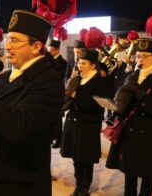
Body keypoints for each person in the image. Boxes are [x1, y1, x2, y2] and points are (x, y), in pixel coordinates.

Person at [0, 10, 64, 196]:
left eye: (15, 40)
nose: (7, 47)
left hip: (17, 184)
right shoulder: (7, 76)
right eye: (7, 40)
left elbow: (18, 125)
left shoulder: (48, 81)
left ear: (36, 47)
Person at [105, 38, 152, 196]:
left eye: (144, 56)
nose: (140, 60)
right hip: (130, 132)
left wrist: (138, 91)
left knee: (148, 176)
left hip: (150, 133)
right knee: (130, 173)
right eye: (138, 56)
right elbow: (124, 97)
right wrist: (116, 107)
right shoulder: (134, 75)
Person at [60, 49, 111, 196]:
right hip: (73, 122)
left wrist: (75, 93)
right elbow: (66, 98)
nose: (79, 65)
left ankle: (85, 188)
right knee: (75, 157)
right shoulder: (77, 79)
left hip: (88, 124)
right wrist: (69, 86)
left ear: (93, 65)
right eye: (78, 62)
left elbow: (95, 104)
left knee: (86, 159)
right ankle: (78, 185)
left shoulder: (100, 82)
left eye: (83, 63)